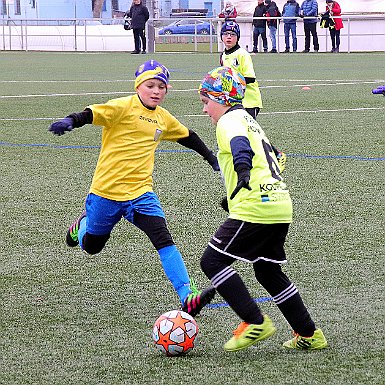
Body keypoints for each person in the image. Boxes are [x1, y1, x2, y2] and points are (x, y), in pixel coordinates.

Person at [48, 60, 218, 317]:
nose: (156, 91)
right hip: (107, 193)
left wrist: (211, 158)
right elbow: (92, 112)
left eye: (162, 87)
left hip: (141, 194)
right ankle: (80, 227)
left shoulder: (163, 117)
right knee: (92, 246)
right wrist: (71, 120)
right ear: (139, 86)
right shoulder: (122, 106)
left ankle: (188, 295)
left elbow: (187, 136)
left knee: (163, 239)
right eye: (150, 85)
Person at [198, 66, 328, 352]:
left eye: (206, 102)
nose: (205, 110)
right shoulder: (249, 119)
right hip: (280, 204)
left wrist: (242, 172)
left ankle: (254, 321)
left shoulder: (229, 121)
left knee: (211, 261)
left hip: (257, 205)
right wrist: (235, 193)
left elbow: (240, 147)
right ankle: (309, 334)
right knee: (267, 272)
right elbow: (276, 156)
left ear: (221, 98)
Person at [220, 21, 287, 171]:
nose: (229, 37)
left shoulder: (242, 54)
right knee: (243, 133)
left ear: (238, 37)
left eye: (232, 34)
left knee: (252, 134)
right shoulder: (224, 55)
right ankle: (251, 161)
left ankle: (277, 155)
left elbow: (250, 78)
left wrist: (232, 80)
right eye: (225, 34)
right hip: (235, 102)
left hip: (250, 100)